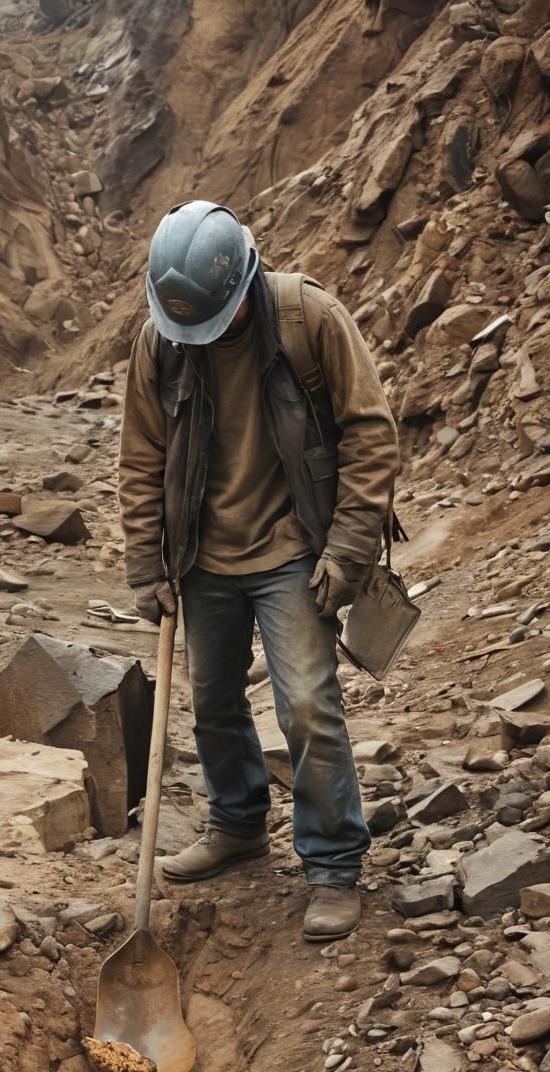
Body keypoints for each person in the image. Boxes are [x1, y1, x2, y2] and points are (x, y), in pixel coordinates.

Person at [118, 199, 400, 941]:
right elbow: (141, 459)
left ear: (245, 279)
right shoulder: (162, 342)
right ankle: (238, 825)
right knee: (212, 703)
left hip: (292, 549)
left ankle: (334, 863)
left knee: (307, 704)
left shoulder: (310, 319)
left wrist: (345, 552)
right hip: (201, 557)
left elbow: (372, 436)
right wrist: (146, 563)